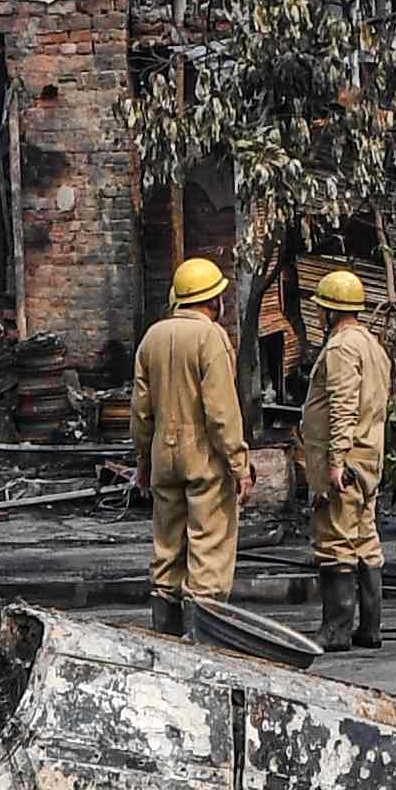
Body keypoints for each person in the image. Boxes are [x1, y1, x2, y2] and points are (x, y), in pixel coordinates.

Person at [132, 254, 242, 635]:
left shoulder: (153, 337)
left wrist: (143, 460)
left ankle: (165, 635)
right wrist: (238, 463)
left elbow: (141, 410)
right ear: (214, 301)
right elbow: (221, 411)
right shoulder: (212, 338)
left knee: (167, 548)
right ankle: (202, 641)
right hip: (204, 461)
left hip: (164, 458)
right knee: (208, 548)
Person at [297, 265, 390, 653]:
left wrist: (335, 462)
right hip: (369, 458)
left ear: (330, 312)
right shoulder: (372, 345)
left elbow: (343, 407)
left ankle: (335, 630)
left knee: (336, 540)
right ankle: (369, 628)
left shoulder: (340, 349)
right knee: (365, 540)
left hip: (345, 462)